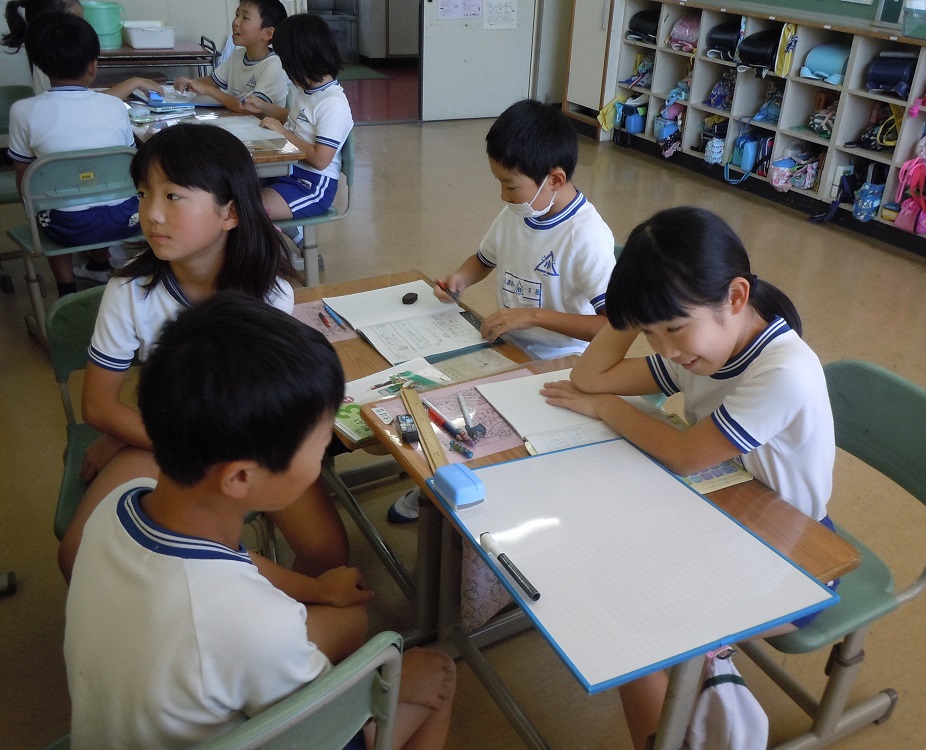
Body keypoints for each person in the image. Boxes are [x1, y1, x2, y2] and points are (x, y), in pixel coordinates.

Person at [65, 292, 457, 749]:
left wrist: (316, 590)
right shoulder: (256, 627)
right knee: (437, 674)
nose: (320, 460)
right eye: (319, 446)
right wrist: (393, 683)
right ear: (240, 478)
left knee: (349, 616)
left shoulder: (119, 504)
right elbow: (324, 729)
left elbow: (234, 561)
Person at [539, 206, 837, 750]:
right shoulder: (702, 347)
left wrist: (606, 409)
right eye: (650, 334)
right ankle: (690, 681)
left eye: (673, 328)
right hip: (723, 519)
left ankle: (688, 691)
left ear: (737, 297)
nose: (666, 350)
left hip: (795, 555)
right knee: (608, 565)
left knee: (626, 616)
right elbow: (589, 375)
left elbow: (684, 454)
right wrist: (642, 309)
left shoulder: (783, 370)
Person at [56, 123, 350, 583]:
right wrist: (140, 433)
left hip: (240, 440)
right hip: (168, 435)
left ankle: (266, 622)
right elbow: (97, 406)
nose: (151, 214)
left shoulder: (270, 293)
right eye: (143, 194)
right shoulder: (129, 290)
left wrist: (125, 433)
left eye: (173, 196)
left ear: (229, 212)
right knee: (78, 557)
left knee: (327, 552)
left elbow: (257, 404)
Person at [388, 97, 615, 523]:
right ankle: (439, 478)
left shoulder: (586, 237)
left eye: (510, 186)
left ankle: (464, 490)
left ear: (554, 179)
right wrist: (460, 279)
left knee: (488, 422)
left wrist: (532, 315)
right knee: (440, 394)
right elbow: (484, 259)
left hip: (562, 363)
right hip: (506, 345)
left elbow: (612, 327)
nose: (503, 195)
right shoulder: (517, 211)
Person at [6, 10, 144, 296]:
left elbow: (25, 183)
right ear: (93, 65)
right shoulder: (115, 106)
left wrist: (35, 211)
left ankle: (66, 290)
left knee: (47, 202)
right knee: (98, 188)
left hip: (65, 227)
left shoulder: (23, 111)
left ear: (41, 66)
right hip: (126, 220)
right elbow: (128, 172)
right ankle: (100, 265)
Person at [240, 12, 353, 223]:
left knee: (245, 210)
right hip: (287, 171)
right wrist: (263, 106)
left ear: (301, 60)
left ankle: (281, 234)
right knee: (232, 191)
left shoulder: (332, 103)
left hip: (310, 186)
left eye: (286, 62)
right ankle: (288, 232)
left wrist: (282, 132)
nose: (284, 68)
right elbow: (297, 119)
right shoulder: (307, 90)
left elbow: (320, 160)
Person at [2, 0, 163, 99]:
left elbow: (82, 98)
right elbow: (86, 102)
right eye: (78, 21)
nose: (83, 27)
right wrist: (134, 82)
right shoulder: (54, 61)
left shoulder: (45, 56)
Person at [174, 0, 289, 114]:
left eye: (245, 18)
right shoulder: (237, 56)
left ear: (268, 33)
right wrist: (187, 83)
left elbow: (248, 108)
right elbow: (210, 82)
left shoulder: (273, 66)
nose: (235, 22)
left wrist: (210, 91)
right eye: (237, 15)